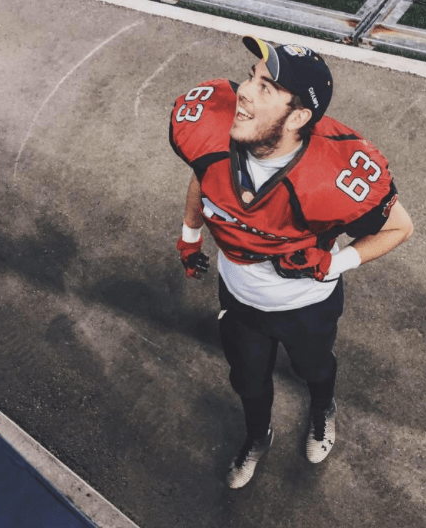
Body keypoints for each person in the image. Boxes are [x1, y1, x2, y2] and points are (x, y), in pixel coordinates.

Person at [170, 36, 413, 489]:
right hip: (239, 297)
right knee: (248, 381)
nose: (244, 92)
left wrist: (334, 264)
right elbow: (204, 175)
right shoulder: (218, 130)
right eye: (250, 77)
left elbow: (400, 227)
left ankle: (322, 409)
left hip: (306, 304)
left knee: (314, 369)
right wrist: (189, 236)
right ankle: (257, 436)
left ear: (298, 117)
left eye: (265, 88)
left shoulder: (335, 171)